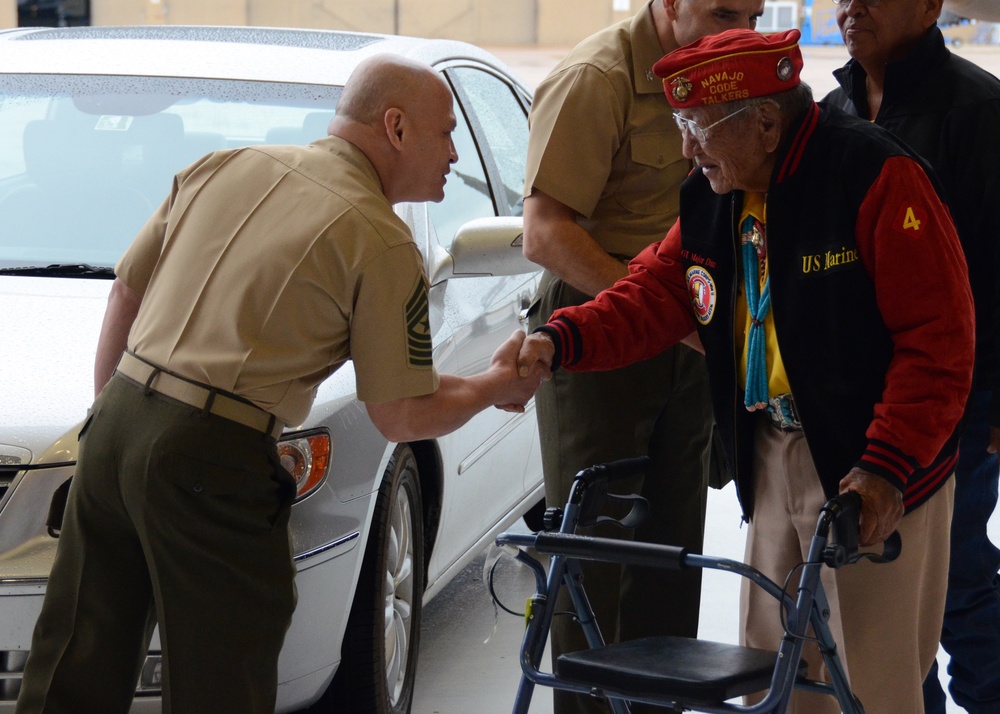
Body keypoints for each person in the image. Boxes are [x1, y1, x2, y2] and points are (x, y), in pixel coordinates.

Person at [14, 54, 542, 714]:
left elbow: (128, 289)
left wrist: (111, 418)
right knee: (221, 682)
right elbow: (402, 415)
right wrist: (495, 384)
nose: (455, 151)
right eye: (445, 132)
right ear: (396, 127)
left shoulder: (224, 166)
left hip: (116, 421)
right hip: (212, 456)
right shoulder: (378, 240)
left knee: (73, 668)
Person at [517, 28, 975, 714]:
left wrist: (884, 470)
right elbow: (655, 293)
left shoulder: (875, 177)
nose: (685, 148)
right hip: (775, 455)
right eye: (679, 124)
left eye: (697, 126)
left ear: (765, 123)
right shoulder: (714, 196)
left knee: (873, 687)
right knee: (776, 678)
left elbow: (938, 342)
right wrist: (560, 340)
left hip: (874, 465)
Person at [521, 2, 763, 711]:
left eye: (752, 13)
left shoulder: (725, 76)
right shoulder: (598, 78)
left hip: (685, 329)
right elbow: (543, 232)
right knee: (591, 559)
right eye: (725, 11)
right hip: (599, 326)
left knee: (671, 555)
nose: (740, 30)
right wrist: (650, 312)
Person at [822, 2, 1000, 710]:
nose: (850, 7)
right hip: (864, 402)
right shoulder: (833, 110)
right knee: (888, 588)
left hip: (956, 395)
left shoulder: (977, 110)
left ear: (928, 7)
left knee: (953, 577)